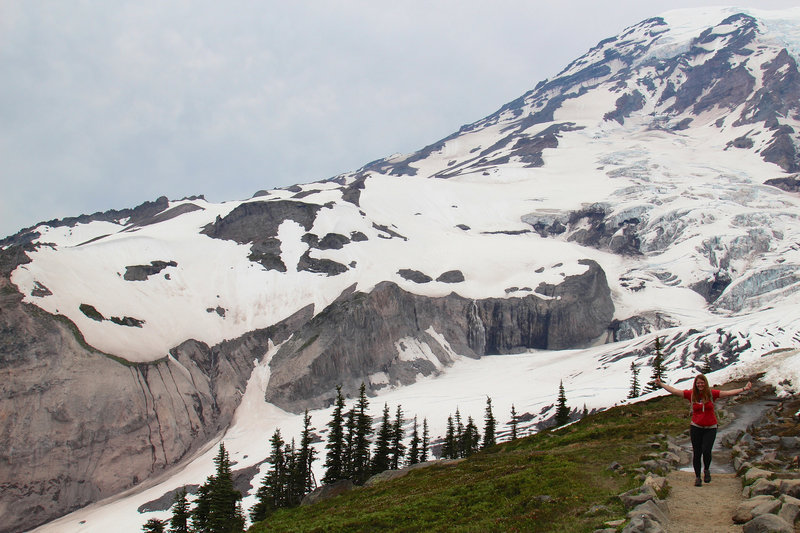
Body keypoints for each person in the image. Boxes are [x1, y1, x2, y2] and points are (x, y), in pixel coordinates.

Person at [656, 375, 752, 486]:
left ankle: (706, 470)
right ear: (695, 384)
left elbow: (728, 393)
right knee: (697, 453)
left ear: (705, 383)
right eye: (698, 383)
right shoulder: (691, 395)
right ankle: (697, 477)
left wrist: (744, 389)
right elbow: (674, 391)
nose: (700, 385)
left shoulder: (711, 394)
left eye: (702, 383)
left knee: (707, 450)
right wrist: (661, 384)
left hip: (710, 427)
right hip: (696, 427)